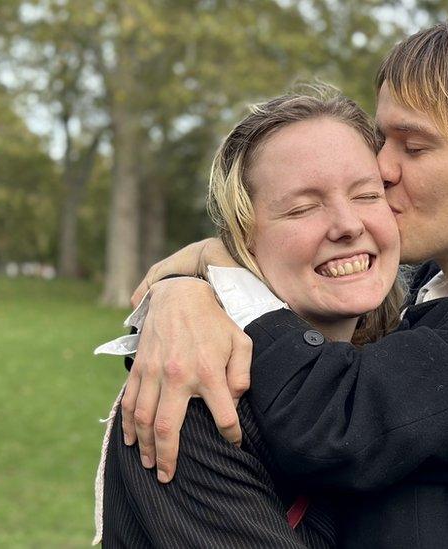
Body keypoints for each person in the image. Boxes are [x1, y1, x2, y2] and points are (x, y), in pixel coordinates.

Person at [124, 21, 448, 548]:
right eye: (383, 139)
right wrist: (185, 291)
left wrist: (219, 269)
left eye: (414, 146)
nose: (380, 167)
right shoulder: (421, 304)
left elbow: (338, 425)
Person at [93, 88, 404, 547]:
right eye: (302, 207)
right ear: (242, 237)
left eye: (367, 194)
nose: (348, 225)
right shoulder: (197, 400)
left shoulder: (417, 347)